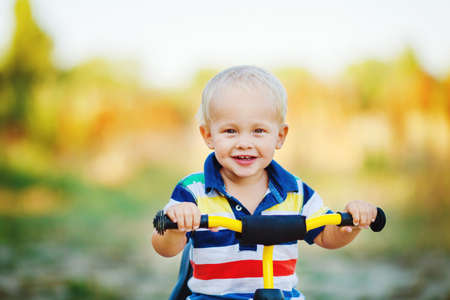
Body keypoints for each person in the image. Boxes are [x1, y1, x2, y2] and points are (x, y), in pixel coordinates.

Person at [152, 65, 378, 300]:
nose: (244, 143)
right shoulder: (194, 192)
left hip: (281, 295)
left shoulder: (296, 192)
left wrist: (352, 222)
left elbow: (326, 235)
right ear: (209, 135)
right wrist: (178, 225)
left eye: (258, 131)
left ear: (279, 136)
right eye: (230, 131)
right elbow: (163, 248)